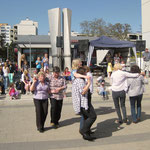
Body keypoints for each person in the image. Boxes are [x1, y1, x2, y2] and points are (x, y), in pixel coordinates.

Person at [72, 67, 96, 141]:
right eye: (85, 72)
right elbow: (83, 92)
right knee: (93, 116)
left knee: (86, 117)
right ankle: (84, 131)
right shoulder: (80, 81)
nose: (87, 73)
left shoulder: (79, 79)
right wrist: (89, 83)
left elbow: (75, 74)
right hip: (83, 103)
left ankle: (86, 131)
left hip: (84, 101)